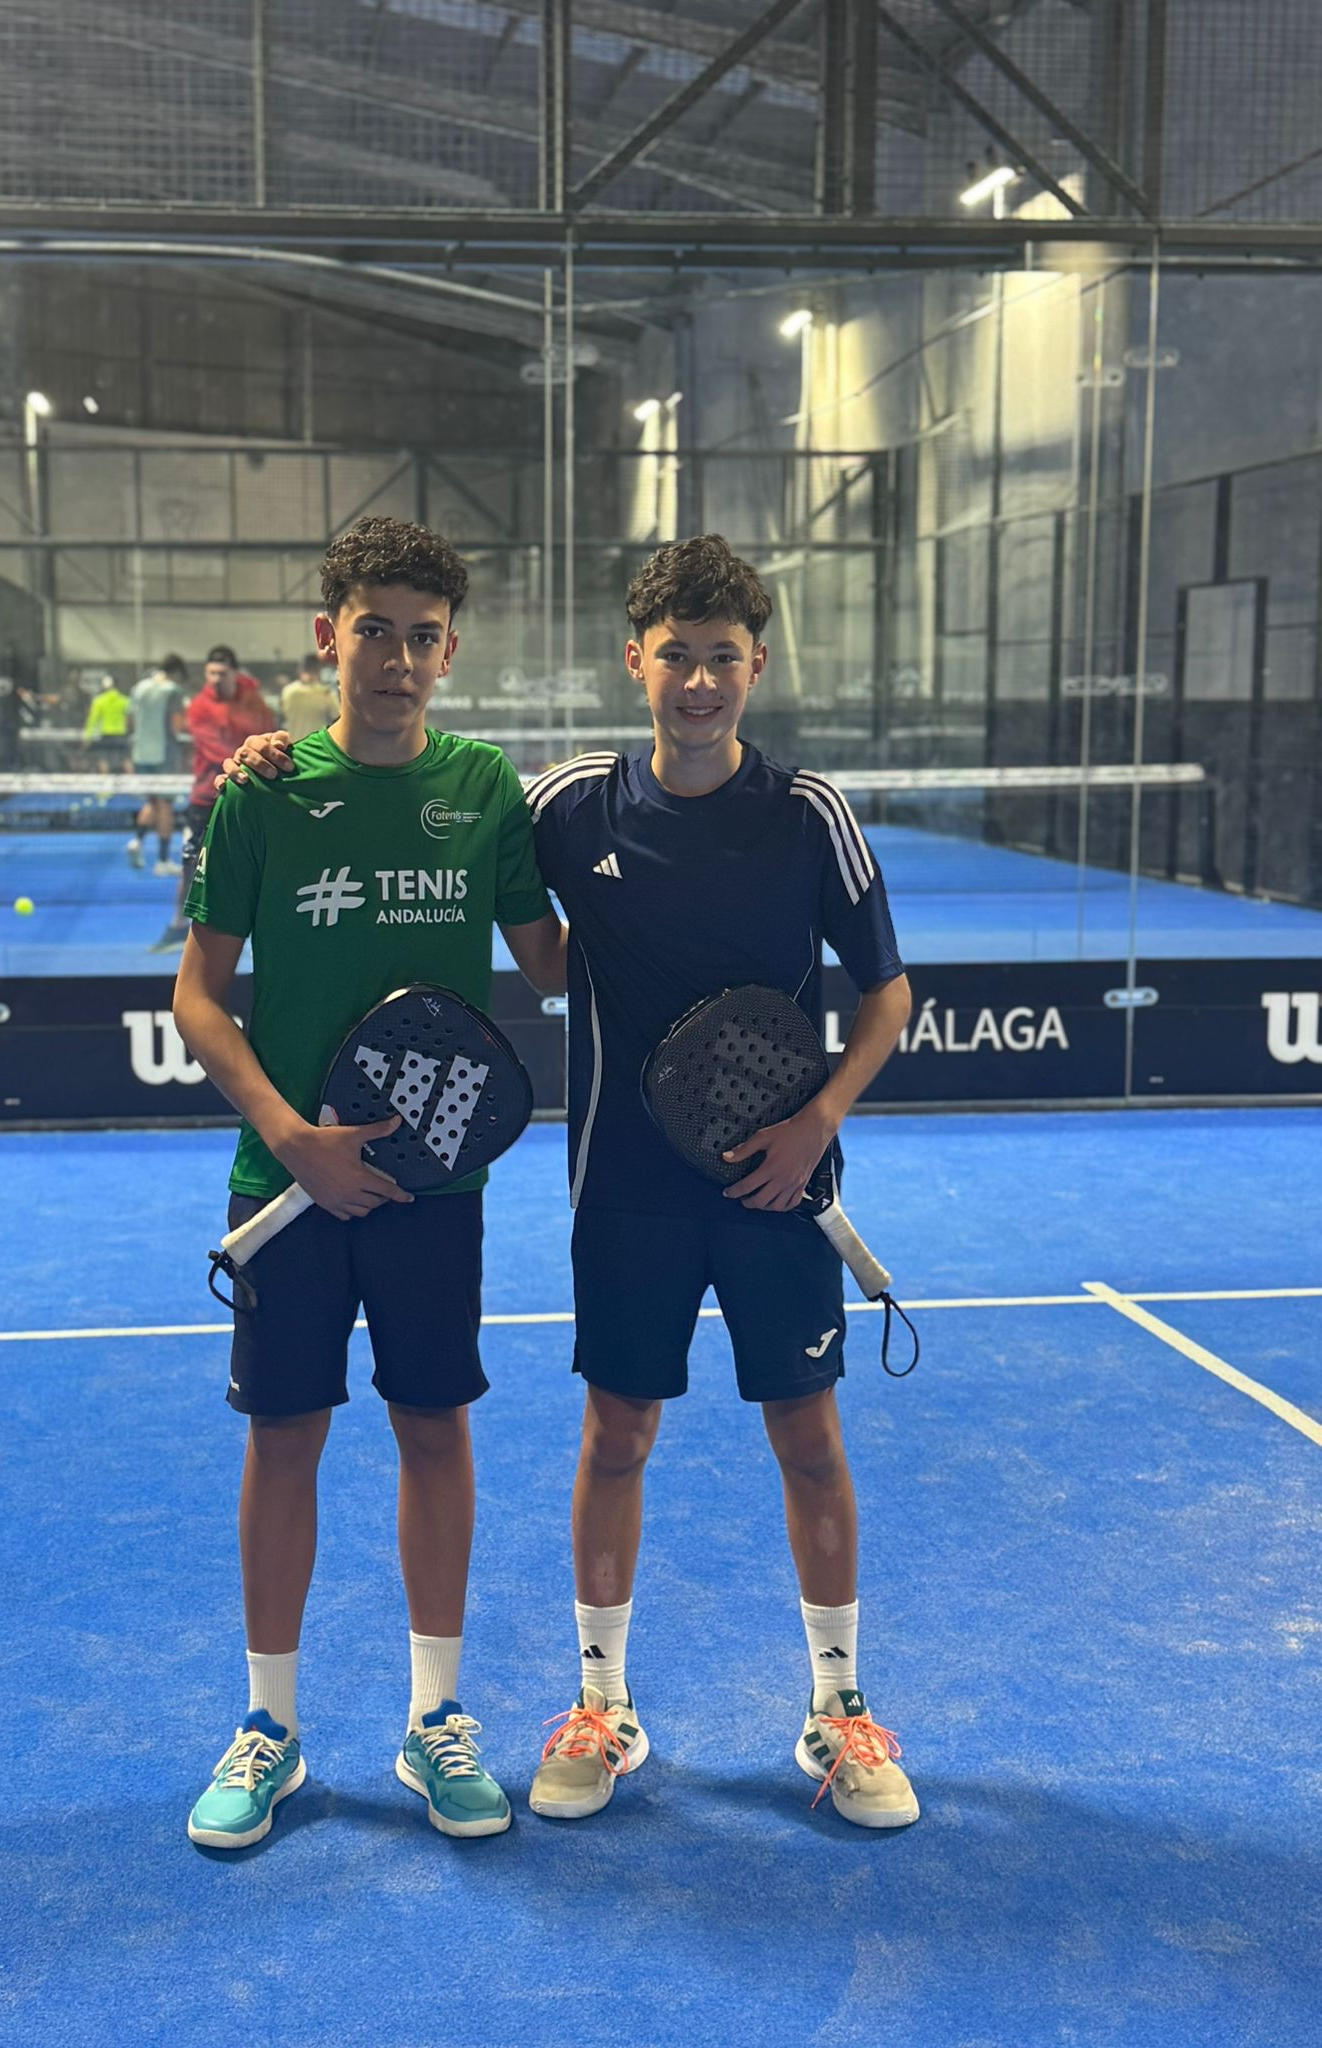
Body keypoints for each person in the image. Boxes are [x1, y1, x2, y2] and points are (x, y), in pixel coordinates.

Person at [171, 516, 564, 1851]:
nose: (397, 658)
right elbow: (199, 995)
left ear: (451, 650)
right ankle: (269, 1728)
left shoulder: (485, 788)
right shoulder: (263, 791)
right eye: (374, 630)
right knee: (284, 1436)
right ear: (326, 637)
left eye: (423, 636)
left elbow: (555, 960)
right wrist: (293, 1137)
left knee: (433, 1426)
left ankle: (435, 1718)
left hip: (430, 1186)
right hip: (284, 1180)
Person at [520, 535, 917, 1829]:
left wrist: (817, 1122)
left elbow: (888, 993)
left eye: (723, 658)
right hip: (625, 1189)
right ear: (634, 661)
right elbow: (438, 808)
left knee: (808, 1435)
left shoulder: (809, 815)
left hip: (775, 1188)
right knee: (616, 1434)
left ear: (759, 666)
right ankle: (603, 1705)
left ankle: (839, 1707)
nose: (699, 682)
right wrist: (275, 753)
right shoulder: (569, 806)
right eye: (676, 656)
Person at [150, 646, 270, 952]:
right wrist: (247, 759)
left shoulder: (253, 700)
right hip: (207, 799)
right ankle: (179, 926)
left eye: (221, 673)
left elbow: (266, 733)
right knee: (193, 866)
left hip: (251, 796)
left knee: (259, 868)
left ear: (234, 673)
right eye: (211, 674)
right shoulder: (199, 707)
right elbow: (216, 750)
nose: (215, 679)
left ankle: (260, 933)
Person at [127, 654, 186, 875]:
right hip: (164, 755)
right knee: (166, 805)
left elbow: (130, 720)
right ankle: (162, 860)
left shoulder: (139, 688)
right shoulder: (173, 690)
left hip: (140, 754)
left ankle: (136, 841)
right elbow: (176, 726)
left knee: (153, 802)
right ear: (177, 673)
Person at [279, 654, 338, 742]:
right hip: (316, 744)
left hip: (294, 743)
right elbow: (337, 717)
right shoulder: (325, 693)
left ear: (300, 671)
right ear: (318, 671)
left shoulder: (288, 691)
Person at [83, 671, 132, 770]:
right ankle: (132, 778)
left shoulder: (99, 700)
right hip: (120, 733)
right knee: (125, 759)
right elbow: (130, 717)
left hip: (105, 733)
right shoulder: (124, 700)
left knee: (103, 760)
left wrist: (87, 736)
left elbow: (92, 720)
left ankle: (105, 778)